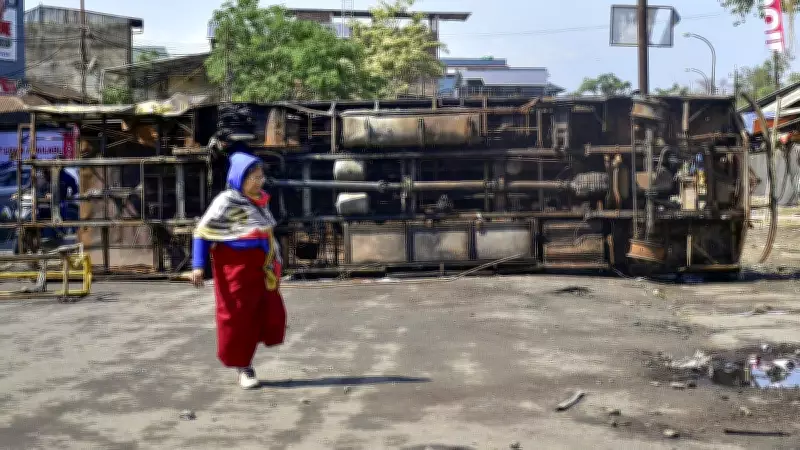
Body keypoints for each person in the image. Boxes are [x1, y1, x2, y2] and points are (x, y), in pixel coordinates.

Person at [190, 152, 286, 390]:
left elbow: (265, 232)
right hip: (235, 269)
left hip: (261, 269)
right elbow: (202, 232)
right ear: (240, 178)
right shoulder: (225, 202)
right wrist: (198, 266)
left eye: (261, 177)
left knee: (269, 313)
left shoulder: (260, 201)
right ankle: (244, 366)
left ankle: (249, 355)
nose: (259, 182)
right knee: (238, 318)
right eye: (254, 177)